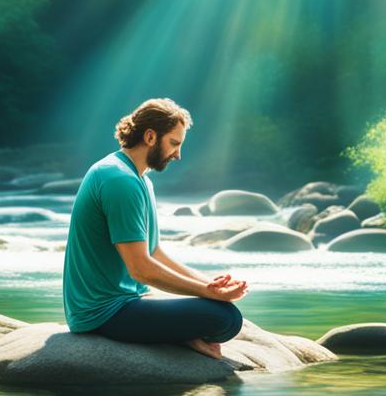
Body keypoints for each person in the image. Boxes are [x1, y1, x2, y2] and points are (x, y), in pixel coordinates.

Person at [63, 97, 248, 359]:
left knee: (220, 309)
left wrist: (210, 285)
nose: (178, 154)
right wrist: (205, 293)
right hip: (102, 314)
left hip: (128, 302)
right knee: (226, 318)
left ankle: (179, 334)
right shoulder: (119, 180)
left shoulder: (139, 179)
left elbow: (154, 251)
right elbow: (141, 269)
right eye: (174, 143)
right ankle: (180, 336)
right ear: (150, 136)